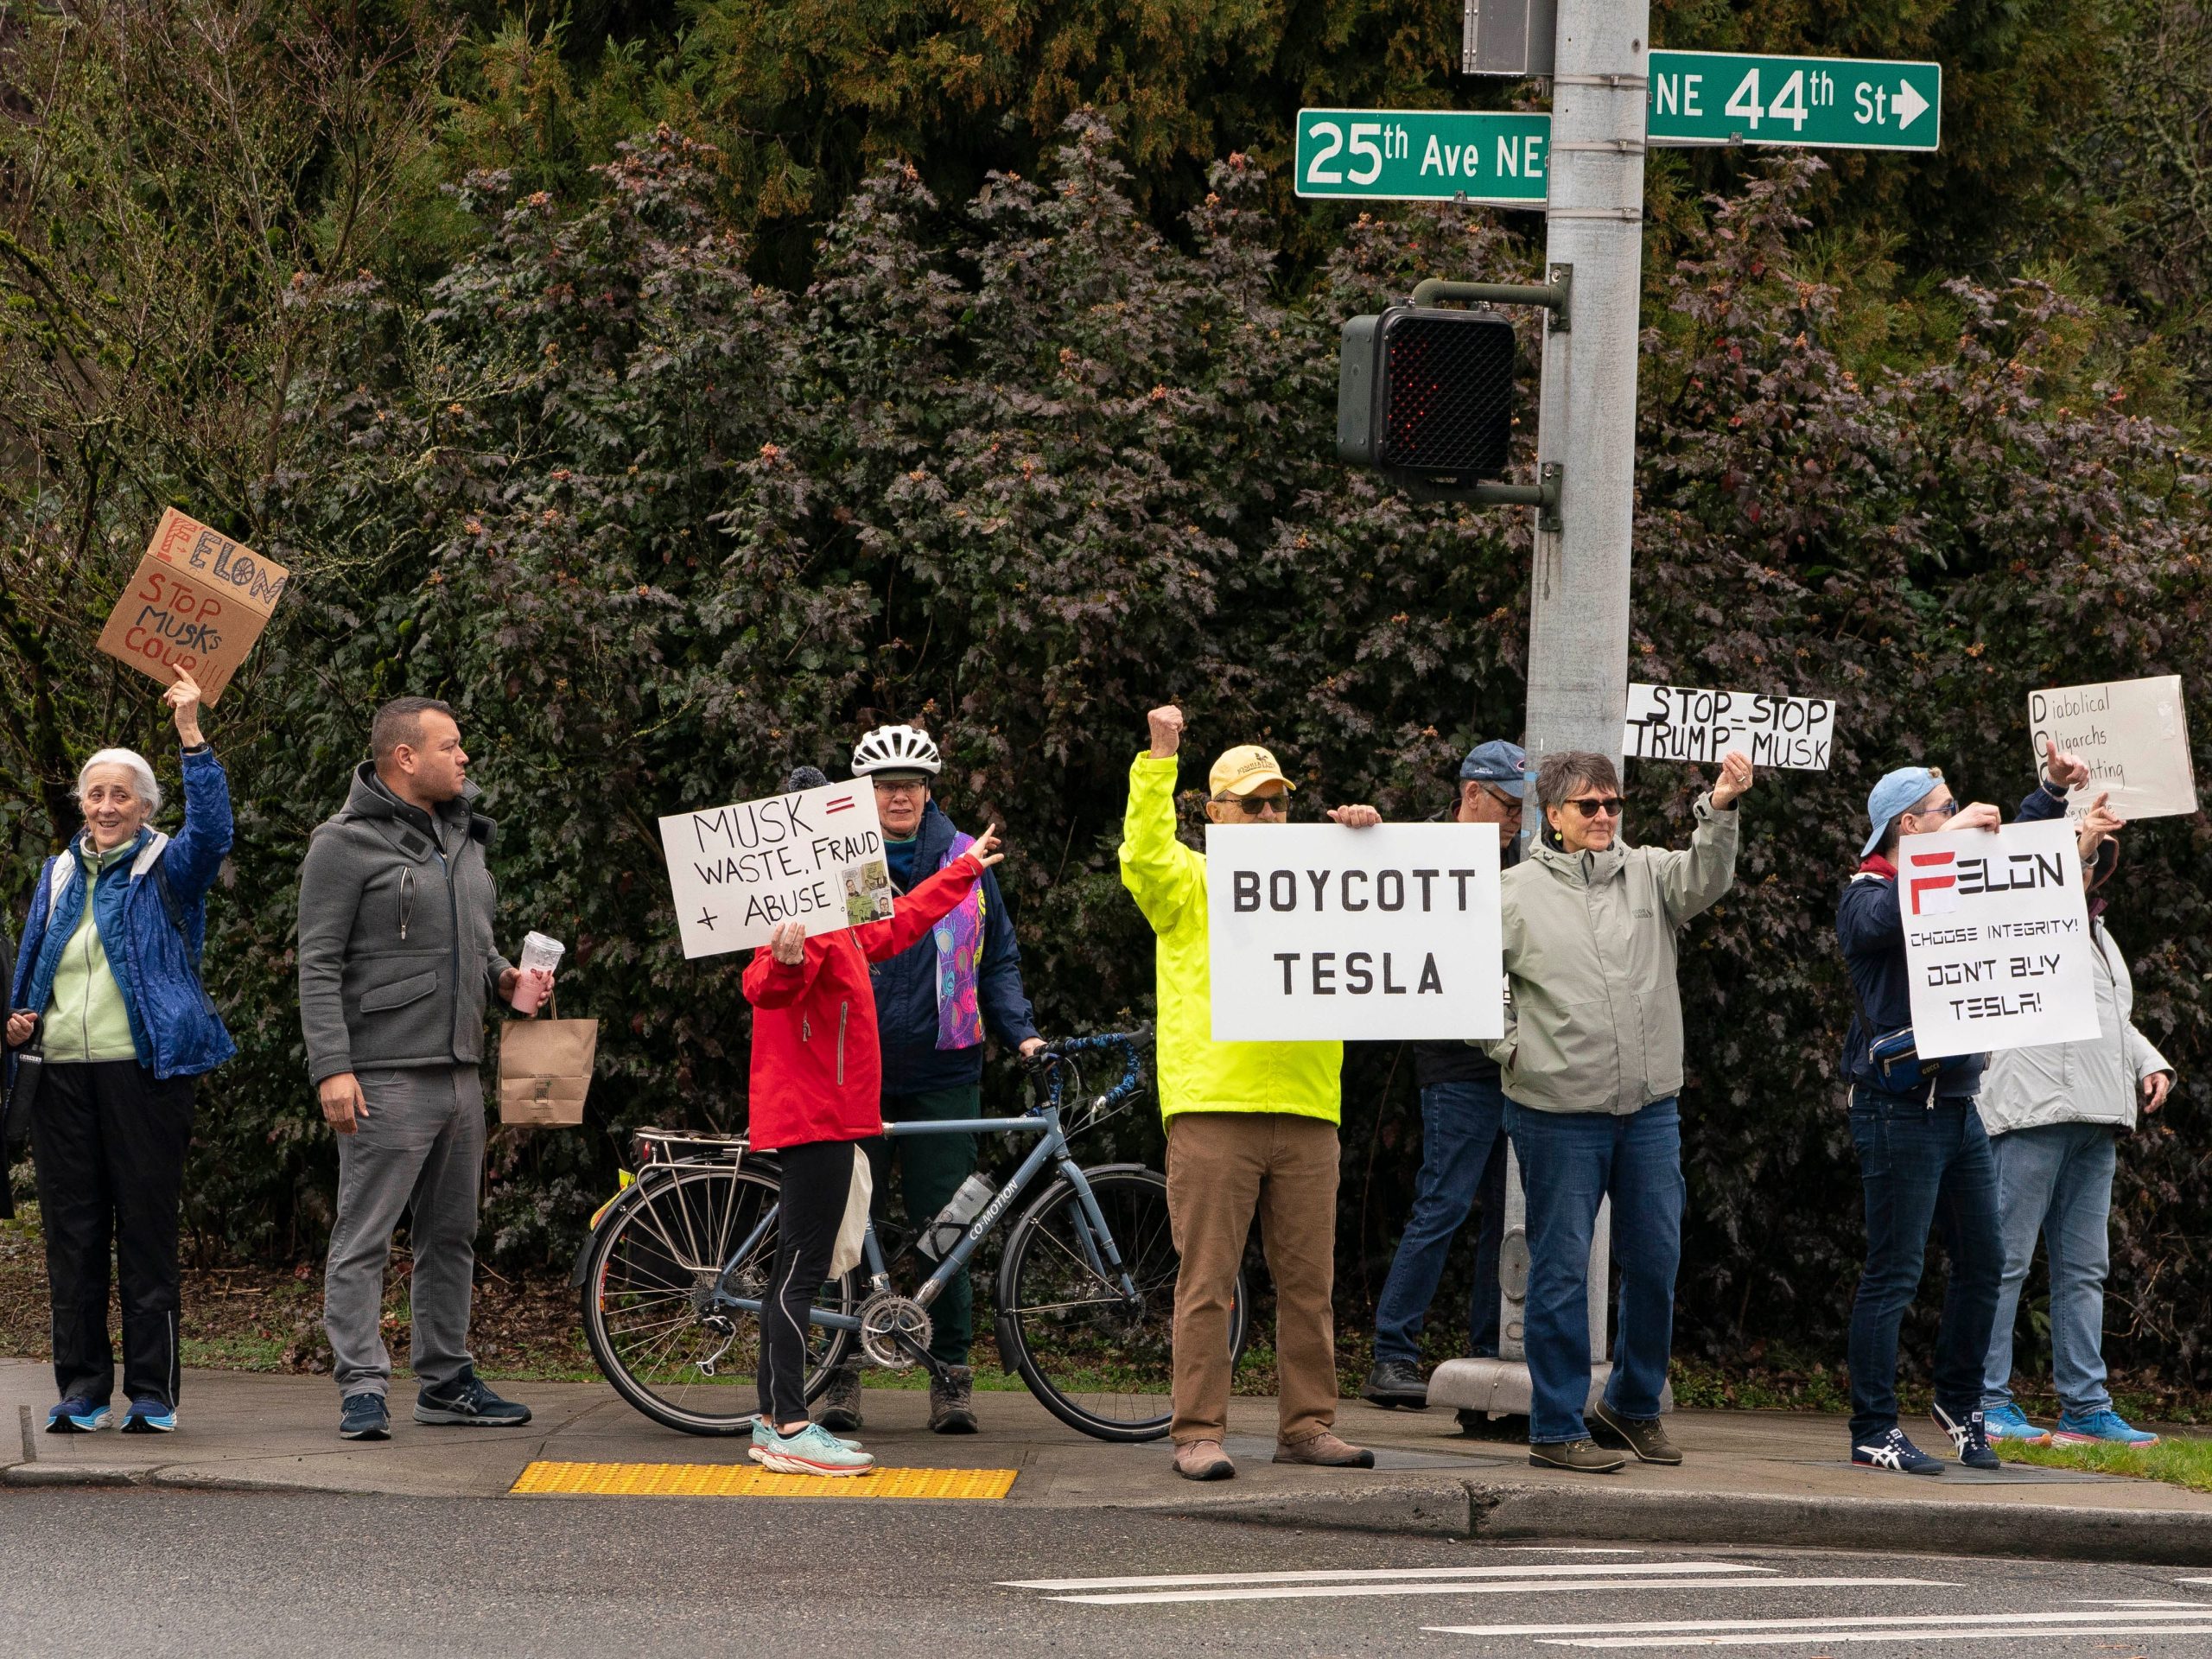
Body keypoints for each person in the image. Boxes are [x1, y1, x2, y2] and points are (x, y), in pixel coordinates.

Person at [1121, 702, 1379, 1482]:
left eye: (1278, 803)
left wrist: (1367, 841)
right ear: (1214, 813)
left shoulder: (1324, 875)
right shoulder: (1189, 880)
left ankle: (1308, 1426)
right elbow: (1143, 853)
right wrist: (1158, 760)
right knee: (1207, 1286)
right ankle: (1197, 1432)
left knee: (1311, 1285)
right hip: (1214, 1106)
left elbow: (1396, 915)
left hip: (1305, 1105)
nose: (1268, 816)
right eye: (1251, 803)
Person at [741, 771, 1007, 1477]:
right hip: (816, 1115)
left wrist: (961, 872)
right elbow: (762, 982)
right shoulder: (802, 918)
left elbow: (899, 926)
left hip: (829, 1111)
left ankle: (774, 1423)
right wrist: (788, 960)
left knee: (792, 1272)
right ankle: (792, 1425)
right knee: (799, 1271)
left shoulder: (842, 908)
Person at [1493, 747, 1752, 1474]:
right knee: (1561, 1271)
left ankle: (1632, 1406)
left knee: (1656, 1261)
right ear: (1553, 816)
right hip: (1556, 1110)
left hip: (1647, 1109)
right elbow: (1470, 982)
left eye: (1612, 804)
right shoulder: (1512, 893)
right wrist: (1509, 1050)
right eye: (1588, 806)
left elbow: (1707, 875)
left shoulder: (1649, 874)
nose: (1605, 816)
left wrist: (1721, 805)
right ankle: (1554, 1424)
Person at [298, 696, 550, 1442]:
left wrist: (507, 980)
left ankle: (446, 1383)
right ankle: (363, 1388)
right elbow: (316, 965)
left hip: (460, 1073)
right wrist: (332, 1068)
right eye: (451, 745)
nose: (464, 757)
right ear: (405, 757)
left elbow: (475, 941)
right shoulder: (341, 845)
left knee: (452, 1235)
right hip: (382, 1075)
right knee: (365, 1235)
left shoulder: (465, 839)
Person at [6, 671, 233, 1434]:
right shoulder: (59, 870)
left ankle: (153, 1395)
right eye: (95, 794)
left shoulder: (168, 866)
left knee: (145, 1231)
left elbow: (216, 834)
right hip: (60, 1078)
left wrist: (191, 736)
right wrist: (15, 1020)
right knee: (71, 1239)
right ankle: (81, 1391)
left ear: (145, 806)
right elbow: (38, 959)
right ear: (82, 804)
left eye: (122, 795)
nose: (106, 806)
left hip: (146, 1074)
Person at [819, 724, 1043, 1436]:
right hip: (856, 1068)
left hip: (946, 1069)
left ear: (928, 790)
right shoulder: (841, 863)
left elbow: (997, 961)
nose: (898, 796)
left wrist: (1024, 1034)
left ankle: (950, 1375)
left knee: (949, 1229)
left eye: (910, 784)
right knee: (841, 1229)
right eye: (885, 786)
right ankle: (838, 1374)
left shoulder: (964, 861)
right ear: (866, 795)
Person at [1980, 744, 2171, 1447]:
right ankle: (1984, 1398)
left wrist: (2151, 1063)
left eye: (2097, 859)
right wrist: (2068, 817)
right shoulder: (2030, 908)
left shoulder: (2098, 933)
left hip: (2095, 1111)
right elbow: (2030, 872)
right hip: (2033, 1107)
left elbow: (2106, 1016)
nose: (2092, 867)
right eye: (2083, 858)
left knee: (2084, 1268)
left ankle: (2085, 1406)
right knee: (2003, 1262)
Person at [1836, 765, 2007, 1476]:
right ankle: (1873, 1429)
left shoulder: (1947, 871)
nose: (1961, 814)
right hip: (1896, 1110)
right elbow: (1881, 924)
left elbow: (2034, 873)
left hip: (1957, 1105)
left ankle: (1958, 1403)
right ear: (1910, 826)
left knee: (1985, 1261)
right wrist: (1951, 848)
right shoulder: (1866, 893)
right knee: (1895, 1272)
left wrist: (2059, 806)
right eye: (1945, 810)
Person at [1363, 738, 1527, 1409]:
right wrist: (1360, 831)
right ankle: (1392, 1356)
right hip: (1457, 1061)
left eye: (1525, 808)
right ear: (1470, 795)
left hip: (1519, 1059)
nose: (1519, 819)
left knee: (1508, 1214)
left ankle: (1488, 1352)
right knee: (1446, 1203)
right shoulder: (1420, 848)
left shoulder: (1525, 860)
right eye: (1509, 806)